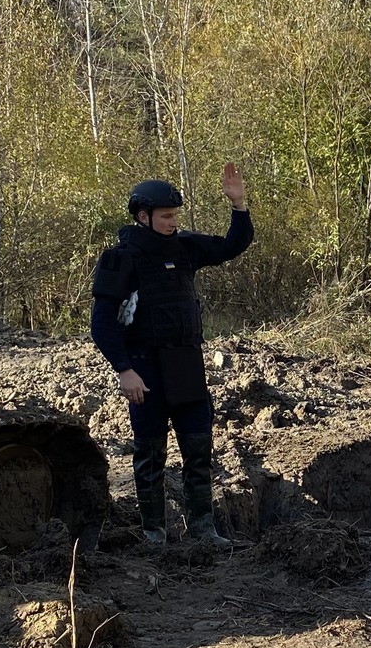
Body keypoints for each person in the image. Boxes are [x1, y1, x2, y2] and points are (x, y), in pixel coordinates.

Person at [89, 165, 253, 545]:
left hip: (186, 365)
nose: (172, 222)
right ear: (142, 217)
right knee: (150, 457)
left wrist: (238, 205)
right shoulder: (122, 259)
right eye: (166, 216)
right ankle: (153, 533)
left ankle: (203, 529)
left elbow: (232, 245)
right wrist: (124, 371)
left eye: (176, 215)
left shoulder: (184, 247)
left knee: (198, 450)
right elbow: (102, 325)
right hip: (145, 368)